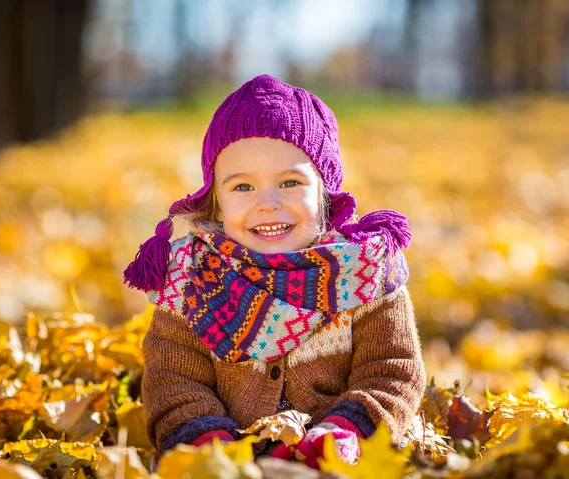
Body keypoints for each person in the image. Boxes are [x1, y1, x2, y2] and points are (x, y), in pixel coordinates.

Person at [124, 74, 427, 470]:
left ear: (324, 192)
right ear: (215, 203)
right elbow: (174, 383)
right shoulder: (191, 281)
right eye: (242, 188)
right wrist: (215, 452)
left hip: (341, 461)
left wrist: (341, 438)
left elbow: (392, 372)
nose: (267, 203)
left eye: (289, 182)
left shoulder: (365, 272)